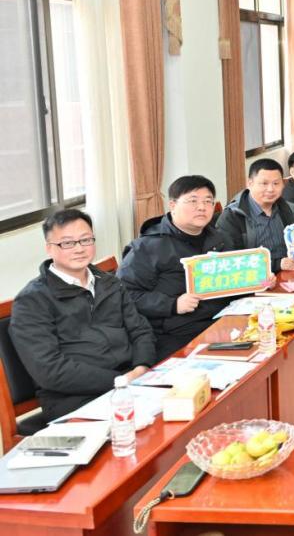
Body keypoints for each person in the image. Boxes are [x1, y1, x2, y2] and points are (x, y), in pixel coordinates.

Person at [11, 210, 156, 421]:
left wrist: (141, 366)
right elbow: (50, 370)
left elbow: (140, 329)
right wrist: (120, 380)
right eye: (67, 243)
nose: (79, 248)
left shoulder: (109, 282)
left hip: (131, 381)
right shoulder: (31, 301)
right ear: (49, 248)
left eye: (86, 240)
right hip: (75, 398)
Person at [118, 175, 232, 361]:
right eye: (193, 201)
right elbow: (125, 295)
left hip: (219, 321)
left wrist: (258, 280)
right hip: (174, 333)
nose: (202, 207)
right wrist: (172, 304)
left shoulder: (219, 238)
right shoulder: (147, 248)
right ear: (172, 205)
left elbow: (235, 280)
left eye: (208, 201)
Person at [216, 159, 294, 273]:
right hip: (254, 278)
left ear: (283, 184)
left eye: (276, 183)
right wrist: (277, 264)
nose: (270, 189)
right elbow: (232, 261)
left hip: (290, 274)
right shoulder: (232, 216)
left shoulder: (288, 208)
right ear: (249, 183)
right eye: (264, 183)